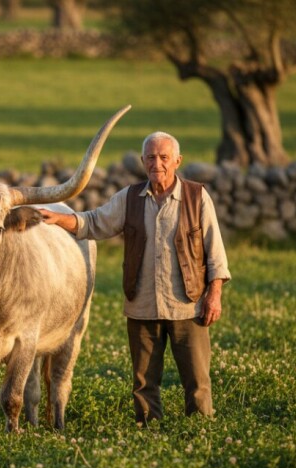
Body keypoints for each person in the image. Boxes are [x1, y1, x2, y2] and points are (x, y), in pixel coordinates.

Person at [39, 131, 231, 425]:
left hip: (188, 306)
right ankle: (148, 431)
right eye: (151, 157)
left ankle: (199, 430)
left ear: (177, 161)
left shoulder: (196, 197)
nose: (157, 163)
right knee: (143, 383)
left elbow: (215, 251)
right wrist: (59, 218)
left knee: (197, 381)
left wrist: (214, 295)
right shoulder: (129, 198)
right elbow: (94, 222)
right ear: (143, 161)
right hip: (142, 307)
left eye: (164, 157)